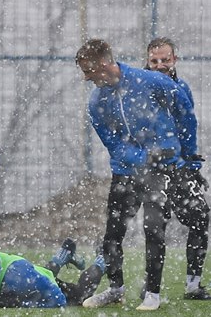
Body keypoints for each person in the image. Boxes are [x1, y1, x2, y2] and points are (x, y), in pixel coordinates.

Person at [75, 39, 197, 311]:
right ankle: (115, 288)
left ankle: (152, 294)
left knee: (153, 229)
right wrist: (141, 160)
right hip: (125, 172)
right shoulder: (97, 102)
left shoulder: (150, 81)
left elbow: (185, 111)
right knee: (112, 233)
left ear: (104, 65)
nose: (85, 78)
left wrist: (186, 155)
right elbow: (113, 144)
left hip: (160, 170)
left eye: (88, 71)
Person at [145, 37, 211, 300]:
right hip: (150, 169)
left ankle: (193, 286)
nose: (160, 65)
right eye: (155, 61)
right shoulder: (138, 89)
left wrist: (193, 166)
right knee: (154, 227)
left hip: (180, 167)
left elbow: (188, 131)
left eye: (165, 59)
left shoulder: (182, 88)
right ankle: (150, 288)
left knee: (199, 216)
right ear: (147, 62)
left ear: (175, 59)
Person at [0, 229, 106, 308]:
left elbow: (57, 300)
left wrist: (23, 305)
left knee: (83, 296)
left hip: (48, 285)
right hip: (33, 277)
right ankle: (65, 253)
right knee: (38, 275)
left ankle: (102, 258)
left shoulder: (17, 276)